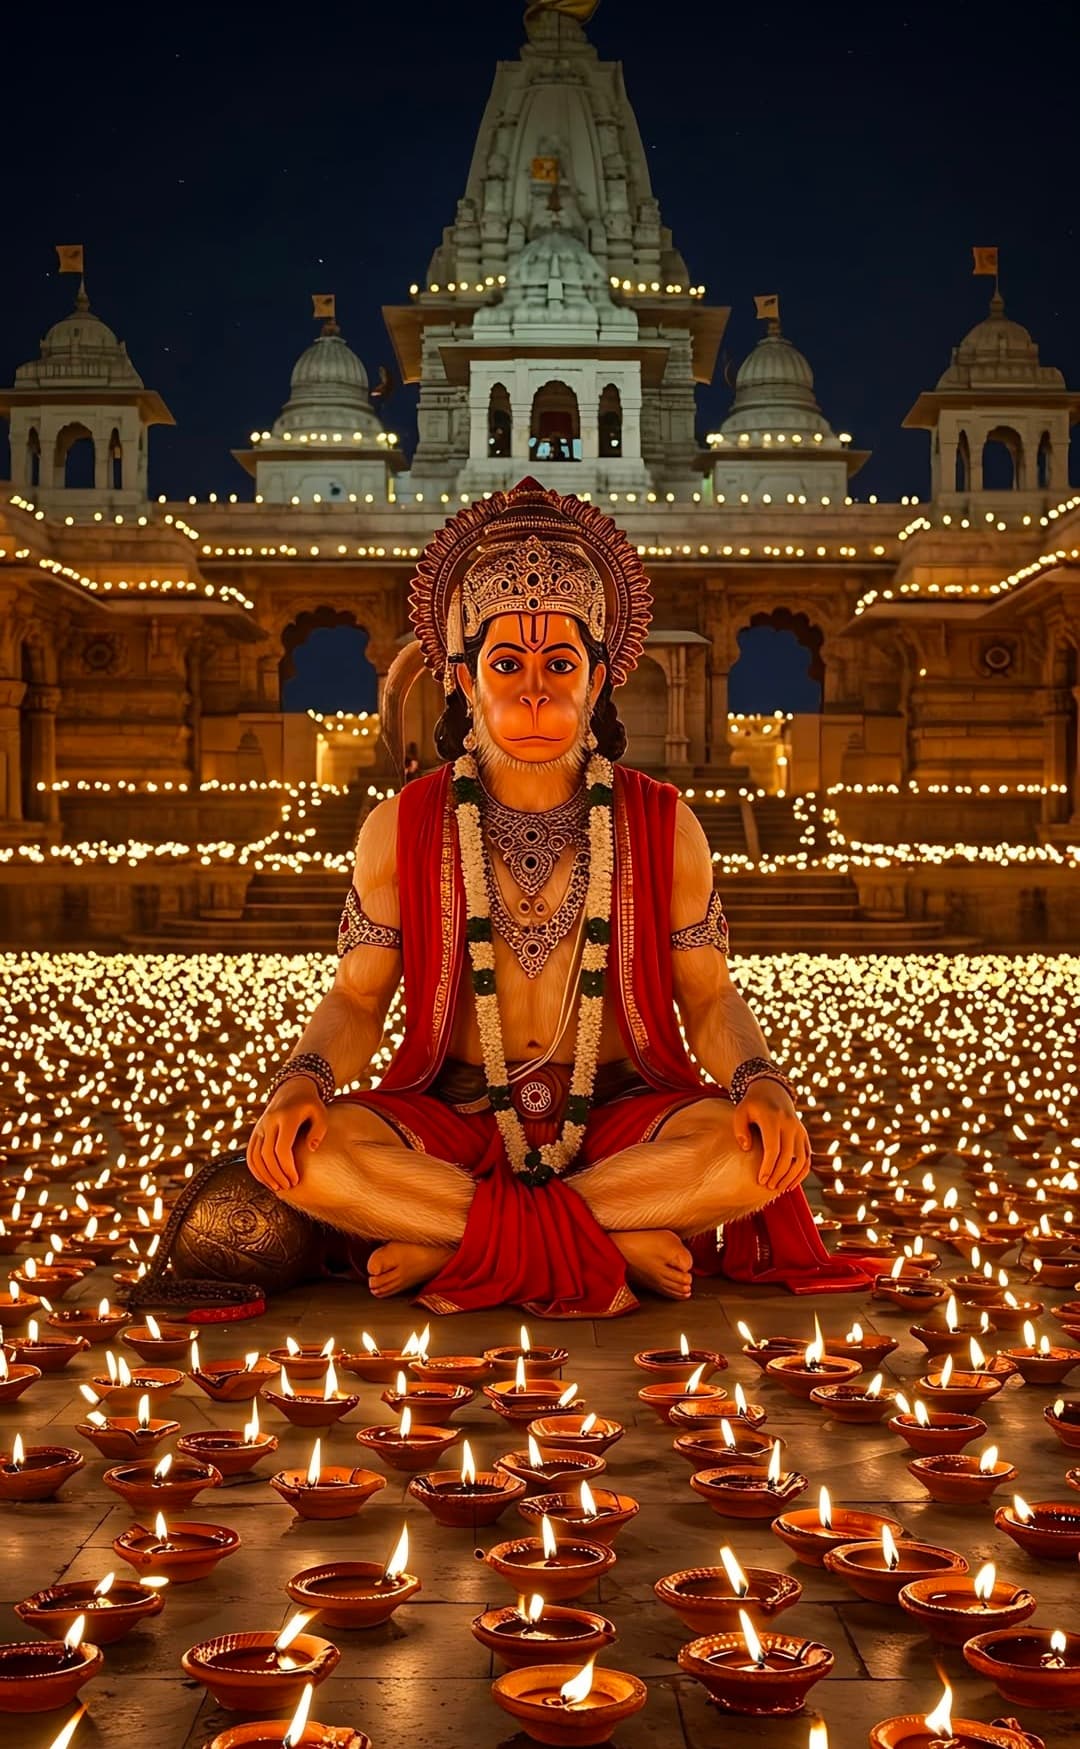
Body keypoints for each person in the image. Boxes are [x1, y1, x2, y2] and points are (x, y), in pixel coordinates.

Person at [241, 479, 864, 1317]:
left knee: (749, 1150)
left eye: (560, 663)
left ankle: (460, 1240)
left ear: (600, 676)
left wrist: (763, 1082)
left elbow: (709, 993)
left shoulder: (662, 822)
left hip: (617, 1112)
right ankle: (601, 1240)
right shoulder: (402, 825)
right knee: (309, 1153)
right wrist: (299, 1083)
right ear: (462, 678)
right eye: (507, 664)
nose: (534, 690)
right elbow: (357, 997)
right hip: (455, 1110)